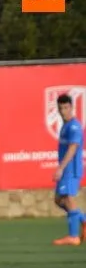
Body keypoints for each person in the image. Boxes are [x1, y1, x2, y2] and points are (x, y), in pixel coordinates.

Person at [51, 93, 84, 246]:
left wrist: (61, 167)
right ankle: (83, 220)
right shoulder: (65, 125)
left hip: (70, 169)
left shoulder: (74, 126)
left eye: (66, 107)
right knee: (59, 200)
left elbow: (73, 148)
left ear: (71, 107)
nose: (63, 111)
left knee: (67, 199)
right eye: (61, 108)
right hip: (66, 170)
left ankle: (73, 236)